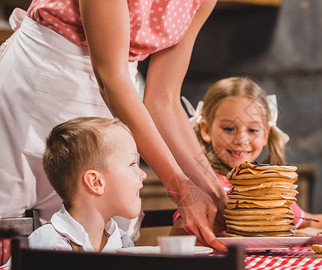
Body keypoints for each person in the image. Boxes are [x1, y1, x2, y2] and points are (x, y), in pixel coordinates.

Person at [0, 0, 227, 250]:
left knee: (109, 241)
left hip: (119, 101)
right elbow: (110, 79)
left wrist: (216, 192)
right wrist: (181, 188)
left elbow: (163, 101)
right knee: (12, 239)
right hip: (38, 90)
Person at [171, 77, 322, 234]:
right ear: (206, 130)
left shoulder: (270, 188)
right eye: (228, 129)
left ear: (266, 135)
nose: (241, 140)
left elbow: (307, 220)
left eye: (252, 130)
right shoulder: (203, 184)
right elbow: (180, 229)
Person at [29, 117, 145, 252]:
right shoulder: (49, 247)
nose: (143, 174)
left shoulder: (121, 241)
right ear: (96, 182)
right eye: (132, 164)